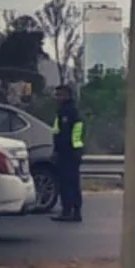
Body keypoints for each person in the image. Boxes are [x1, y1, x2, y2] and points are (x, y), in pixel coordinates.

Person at [51, 84, 84, 222]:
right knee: (72, 182)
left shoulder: (67, 112)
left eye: (60, 94)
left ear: (67, 95)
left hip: (68, 153)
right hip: (72, 152)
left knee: (67, 183)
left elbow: (64, 135)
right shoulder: (67, 111)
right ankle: (74, 211)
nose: (57, 97)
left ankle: (68, 211)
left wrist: (58, 151)